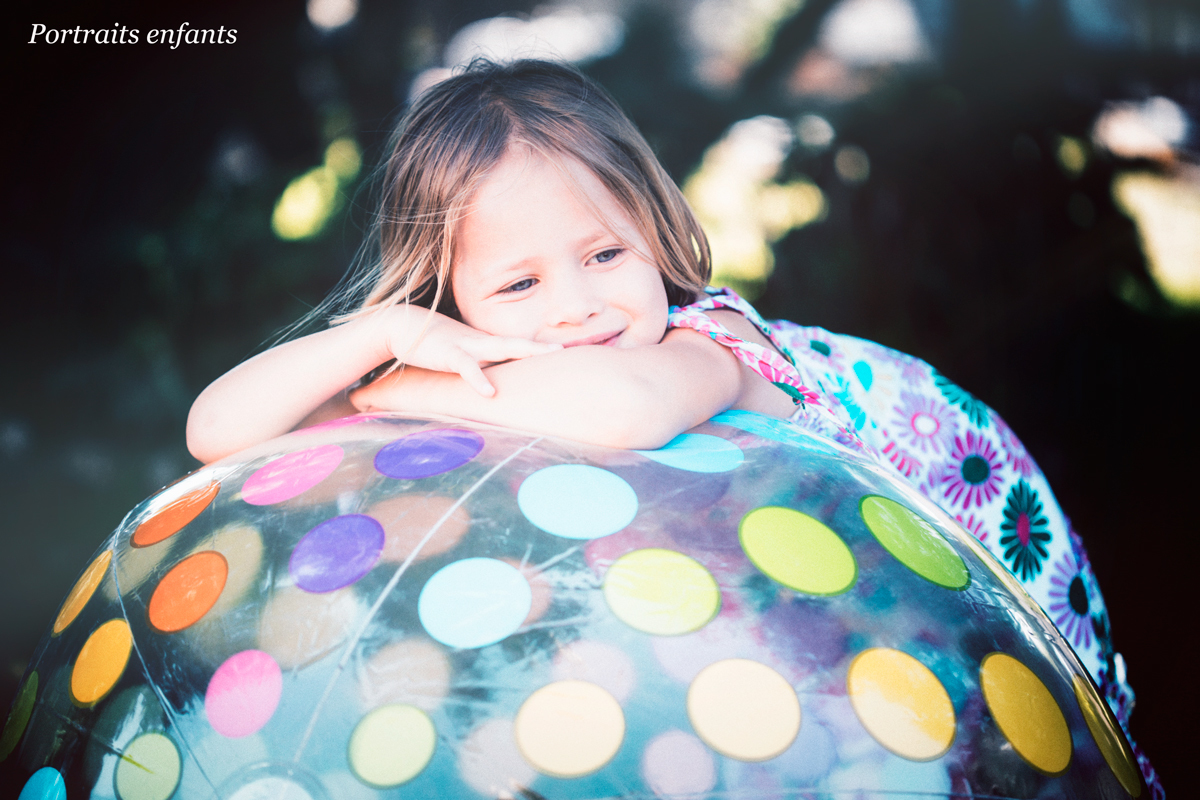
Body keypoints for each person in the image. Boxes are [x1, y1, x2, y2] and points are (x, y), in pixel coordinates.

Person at [187, 59, 1158, 793]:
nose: (577, 307)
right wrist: (382, 335)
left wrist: (389, 387)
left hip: (982, 568)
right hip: (832, 597)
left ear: (654, 230)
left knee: (1003, 759)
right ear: (453, 296)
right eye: (520, 282)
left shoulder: (710, 338)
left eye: (606, 252)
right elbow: (216, 431)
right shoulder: (460, 366)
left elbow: (629, 409)